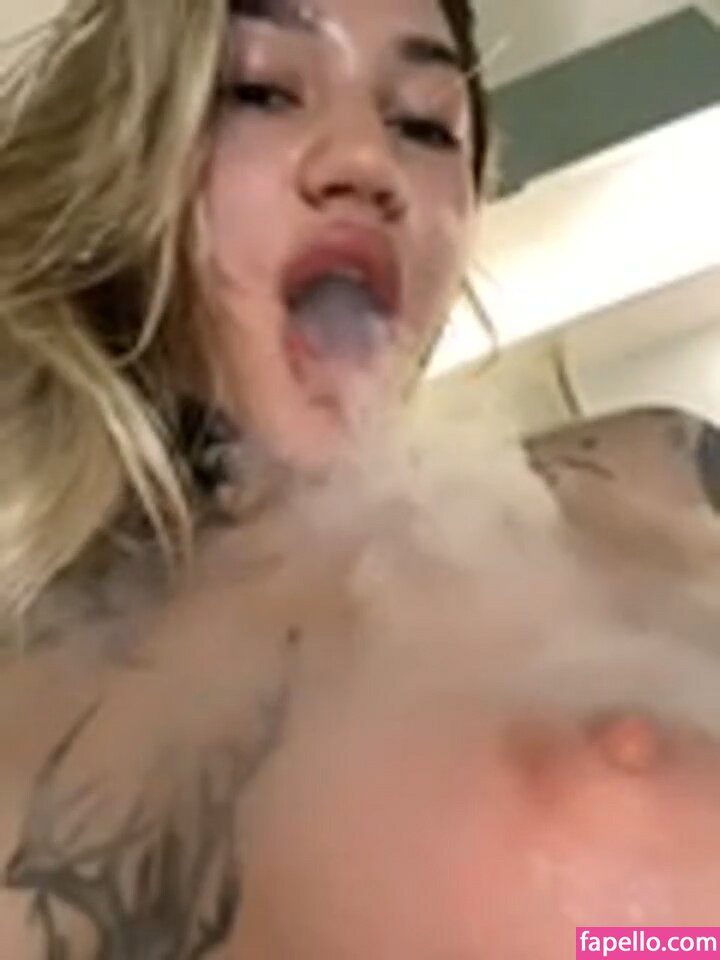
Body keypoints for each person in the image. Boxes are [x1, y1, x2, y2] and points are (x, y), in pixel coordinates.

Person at [1, 0, 720, 956]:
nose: (370, 163)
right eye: (262, 91)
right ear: (127, 161)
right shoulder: (36, 737)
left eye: (424, 123)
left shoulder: (651, 483)